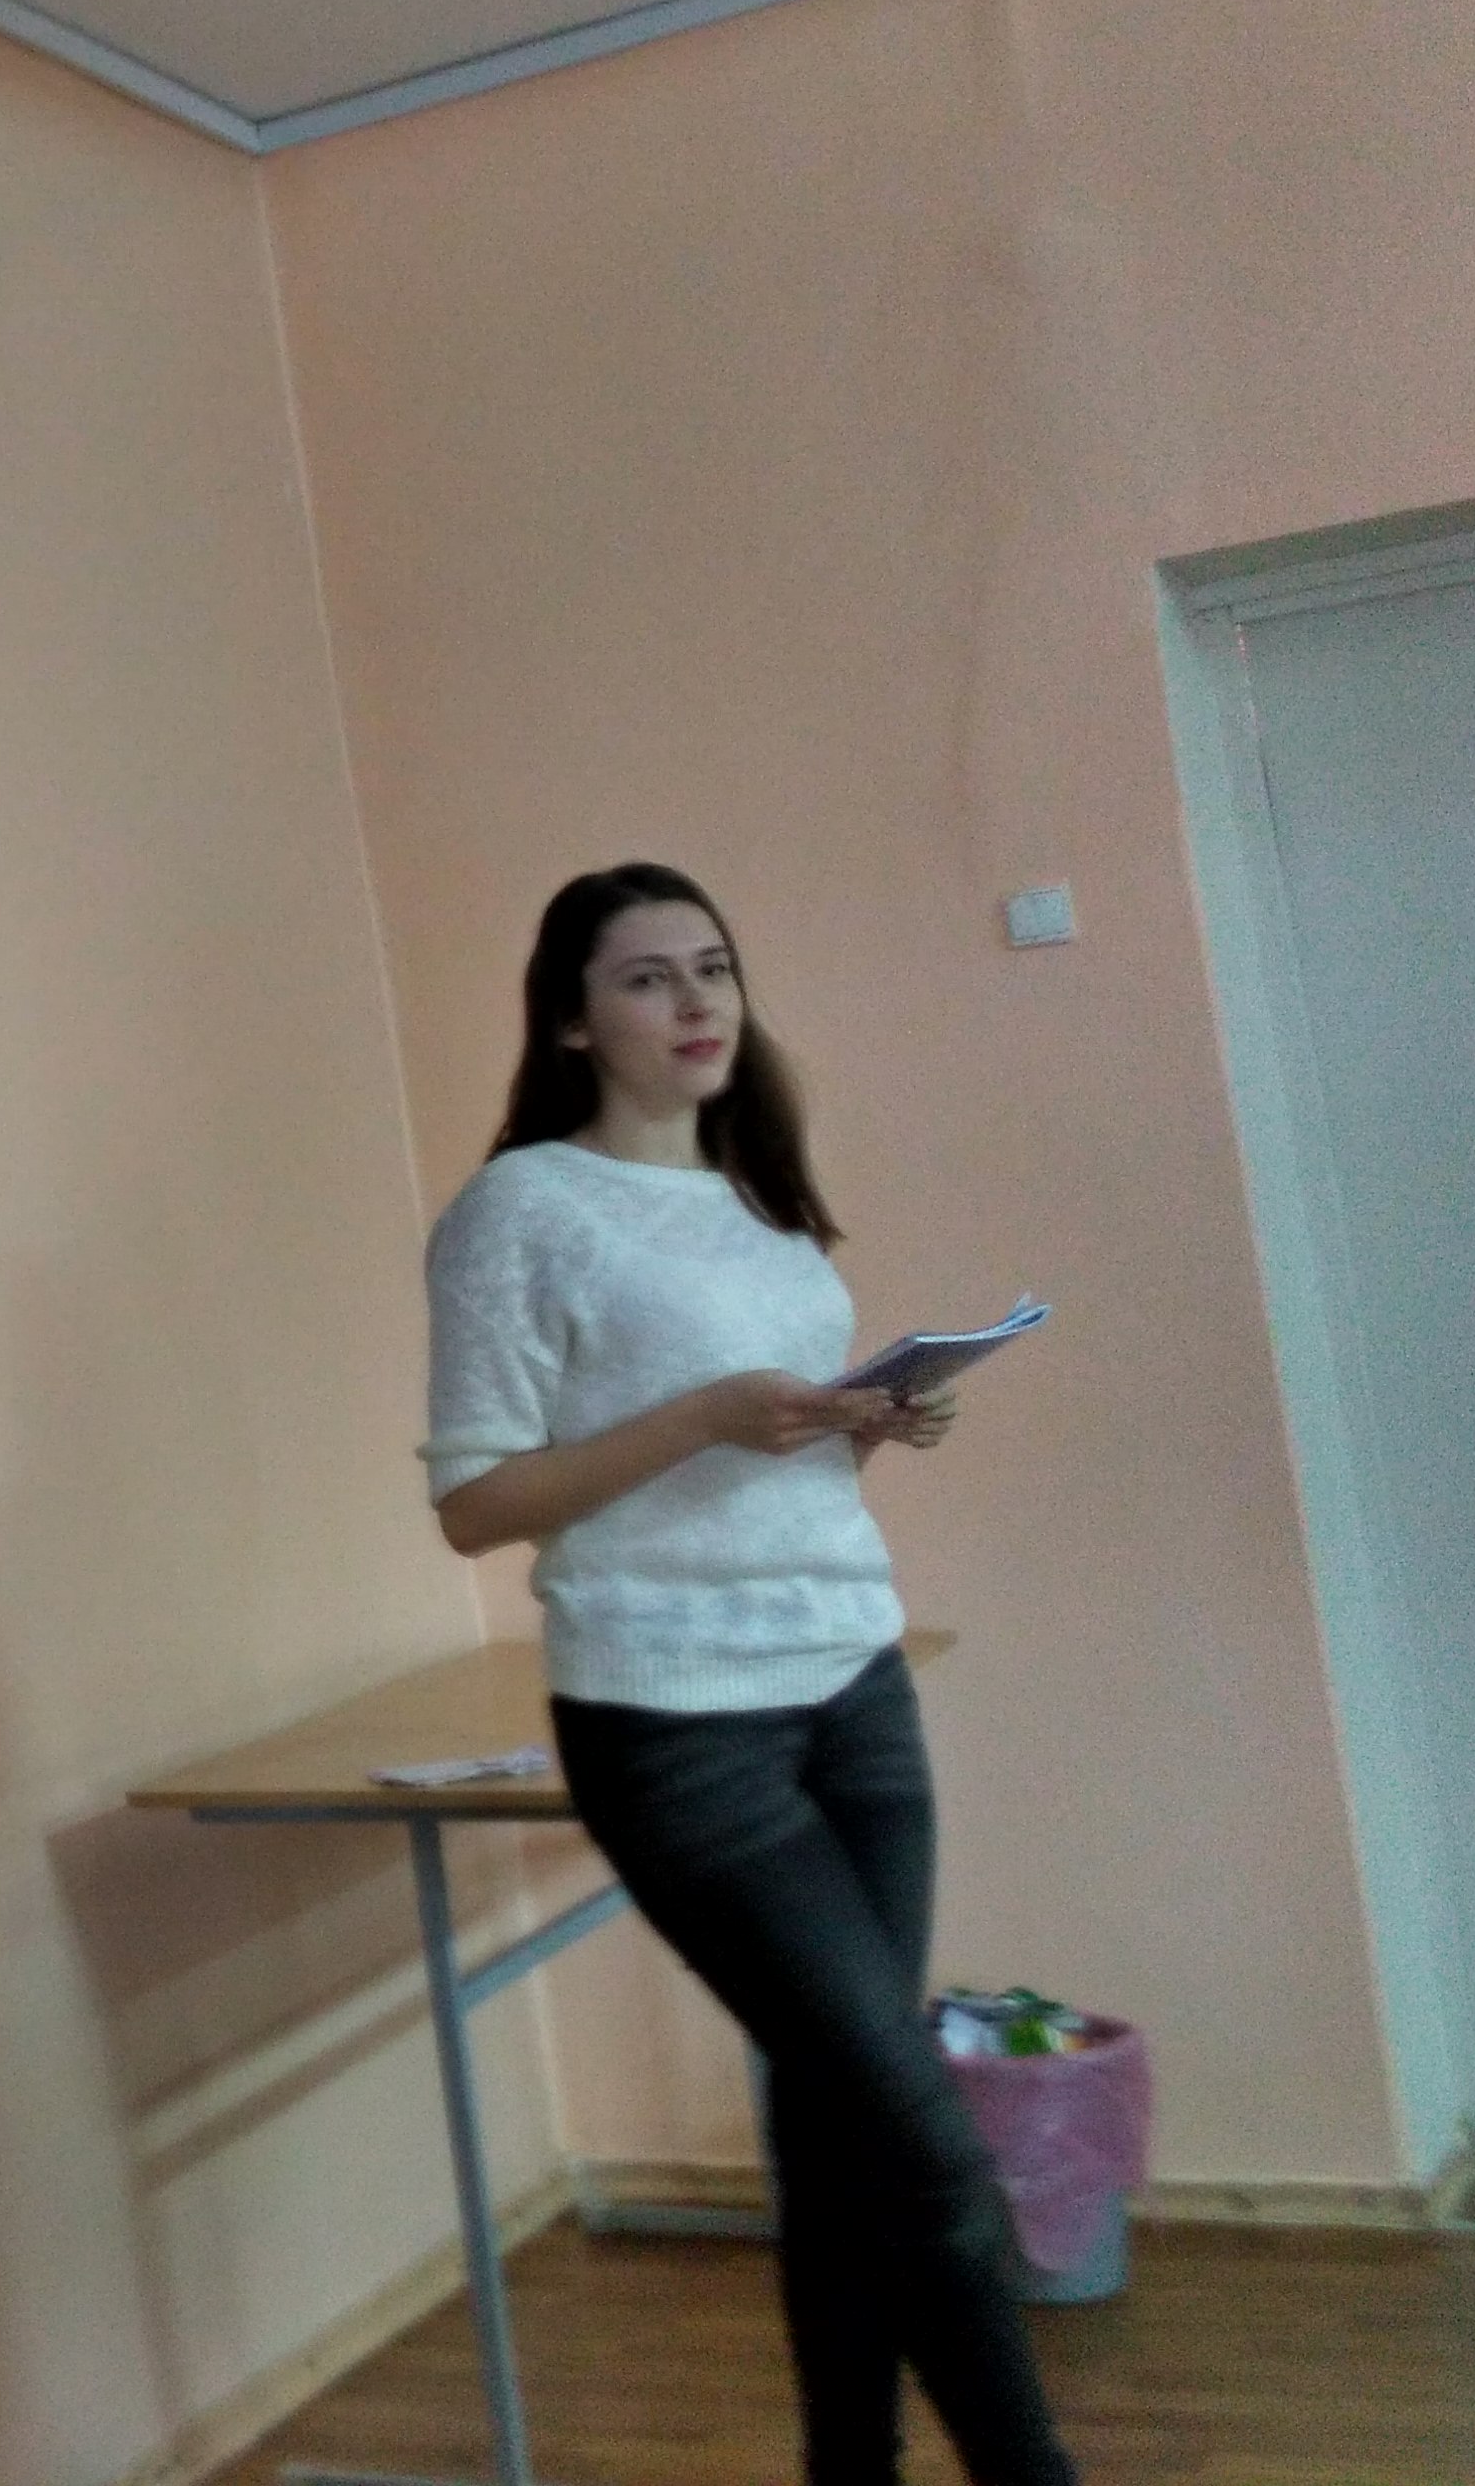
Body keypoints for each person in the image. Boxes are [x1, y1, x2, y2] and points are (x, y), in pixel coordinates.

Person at [422, 863, 1075, 2486]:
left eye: (712, 967)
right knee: (928, 2152)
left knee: (842, 2132)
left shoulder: (758, 1197)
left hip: (851, 1681)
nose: (697, 1002)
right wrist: (705, 1417)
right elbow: (476, 1504)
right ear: (574, 1022)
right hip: (674, 1721)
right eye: (648, 978)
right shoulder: (523, 1210)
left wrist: (870, 1424)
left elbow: (755, 1465)